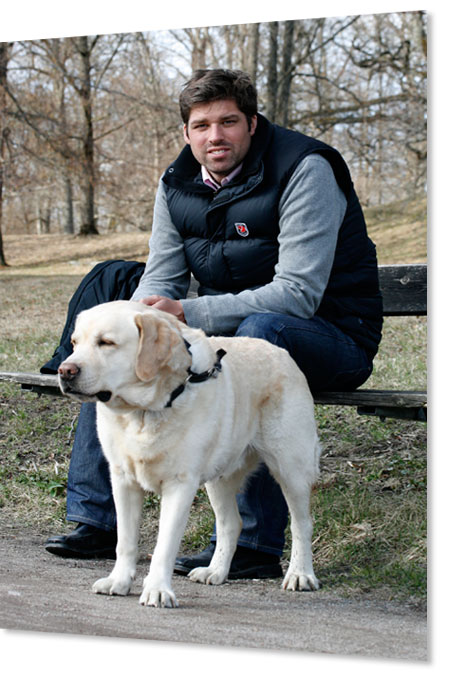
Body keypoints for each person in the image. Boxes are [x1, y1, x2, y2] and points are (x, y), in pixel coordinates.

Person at [44, 69, 383, 578]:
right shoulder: (176, 182)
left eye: (228, 122)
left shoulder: (305, 169)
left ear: (251, 123)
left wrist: (190, 315)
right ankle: (99, 520)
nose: (214, 136)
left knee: (262, 331)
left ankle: (254, 545)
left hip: (328, 333)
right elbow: (159, 282)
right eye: (201, 125)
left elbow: (298, 294)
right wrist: (134, 336)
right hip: (233, 334)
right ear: (186, 133)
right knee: (113, 339)